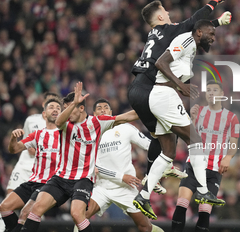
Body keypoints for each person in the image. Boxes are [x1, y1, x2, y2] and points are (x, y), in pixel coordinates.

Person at [128, 0, 230, 193]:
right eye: (164, 11)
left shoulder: (153, 34)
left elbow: (196, 30)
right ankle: (198, 187)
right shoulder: (167, 30)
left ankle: (155, 175)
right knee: (184, 137)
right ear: (159, 17)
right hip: (150, 87)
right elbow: (194, 24)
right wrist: (214, 2)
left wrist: (217, 22)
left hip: (136, 87)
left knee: (164, 136)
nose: (168, 13)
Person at [21, 82, 139, 232]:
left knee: (77, 214)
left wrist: (149, 107)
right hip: (61, 177)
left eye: (70, 108)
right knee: (36, 208)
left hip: (83, 179)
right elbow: (58, 121)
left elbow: (127, 116)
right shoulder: (65, 124)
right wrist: (73, 104)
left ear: (82, 108)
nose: (66, 112)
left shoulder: (97, 123)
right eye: (65, 109)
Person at [73, 98, 163, 232]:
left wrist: (165, 153)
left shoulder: (126, 128)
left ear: (111, 111)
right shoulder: (89, 133)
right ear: (93, 114)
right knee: (81, 217)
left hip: (126, 188)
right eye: (99, 108)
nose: (103, 109)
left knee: (145, 227)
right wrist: (121, 176)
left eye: (106, 107)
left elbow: (150, 146)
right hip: (102, 186)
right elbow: (92, 166)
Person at [172, 80, 240, 232]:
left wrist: (228, 158)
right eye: (208, 90)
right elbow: (188, 137)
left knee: (204, 212)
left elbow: (234, 144)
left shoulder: (231, 118)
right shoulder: (198, 111)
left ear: (222, 94)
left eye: (215, 90)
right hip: (194, 165)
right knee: (182, 204)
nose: (211, 92)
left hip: (214, 171)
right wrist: (193, 119)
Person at [0, 98, 62, 232]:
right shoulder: (37, 135)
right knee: (4, 207)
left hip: (51, 184)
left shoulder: (65, 135)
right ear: (44, 114)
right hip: (33, 181)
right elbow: (14, 149)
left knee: (25, 212)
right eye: (51, 107)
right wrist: (13, 138)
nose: (55, 109)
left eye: (58, 107)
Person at [6, 92, 59, 195]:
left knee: (35, 205)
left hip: (43, 170)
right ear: (44, 104)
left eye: (56, 105)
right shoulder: (31, 120)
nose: (54, 108)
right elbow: (24, 143)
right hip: (24, 165)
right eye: (50, 104)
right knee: (9, 197)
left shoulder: (60, 127)